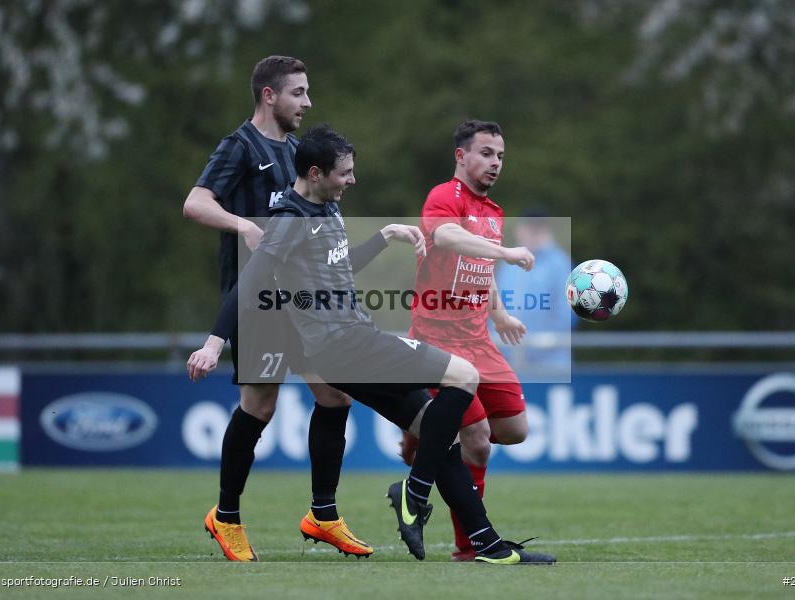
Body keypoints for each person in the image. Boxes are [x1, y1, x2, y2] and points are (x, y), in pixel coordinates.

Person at [188, 124, 554, 565]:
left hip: (351, 345)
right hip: (347, 346)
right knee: (465, 377)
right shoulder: (290, 219)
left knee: (439, 438)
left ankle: (487, 546)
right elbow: (250, 282)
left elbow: (339, 269)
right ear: (316, 172)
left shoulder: (325, 209)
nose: (352, 180)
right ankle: (413, 492)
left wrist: (383, 237)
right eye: (345, 173)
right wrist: (213, 343)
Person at [182, 56, 365, 562]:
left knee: (335, 396)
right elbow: (194, 203)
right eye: (299, 93)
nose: (307, 102)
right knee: (260, 407)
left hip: (304, 300)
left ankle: (323, 516)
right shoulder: (240, 146)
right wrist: (241, 224)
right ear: (269, 96)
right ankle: (226, 516)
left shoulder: (301, 153)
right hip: (259, 300)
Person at [404, 120, 537, 561]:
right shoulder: (445, 196)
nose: (495, 162)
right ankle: (471, 545)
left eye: (500, 155)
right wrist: (506, 253)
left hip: (479, 340)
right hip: (437, 340)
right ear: (461, 156)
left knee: (515, 430)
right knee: (478, 437)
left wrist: (498, 312)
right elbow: (446, 236)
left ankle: (429, 442)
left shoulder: (493, 211)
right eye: (485, 153)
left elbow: (480, 267)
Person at [494, 209, 577, 370]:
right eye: (526, 228)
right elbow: (494, 304)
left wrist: (537, 344)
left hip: (550, 362)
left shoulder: (560, 264)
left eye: (535, 229)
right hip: (508, 361)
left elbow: (567, 312)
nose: (529, 234)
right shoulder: (507, 265)